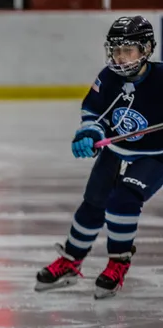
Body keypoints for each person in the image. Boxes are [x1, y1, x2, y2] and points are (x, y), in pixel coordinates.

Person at [35, 15, 162, 299]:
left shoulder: (161, 77)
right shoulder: (108, 78)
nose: (120, 57)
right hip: (116, 151)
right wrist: (89, 134)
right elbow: (94, 114)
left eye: (127, 49)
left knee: (123, 200)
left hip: (154, 156)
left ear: (147, 50)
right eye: (115, 49)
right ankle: (70, 261)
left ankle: (118, 262)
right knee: (93, 204)